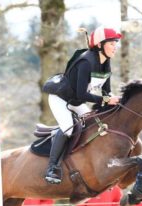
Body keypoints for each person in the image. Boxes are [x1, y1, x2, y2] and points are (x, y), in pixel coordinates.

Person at [43, 26, 123, 184]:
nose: (115, 47)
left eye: (116, 43)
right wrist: (106, 100)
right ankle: (52, 167)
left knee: (94, 124)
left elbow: (106, 92)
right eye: (112, 43)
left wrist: (115, 100)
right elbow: (82, 94)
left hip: (76, 102)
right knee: (69, 128)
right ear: (100, 45)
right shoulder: (86, 62)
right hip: (60, 99)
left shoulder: (106, 63)